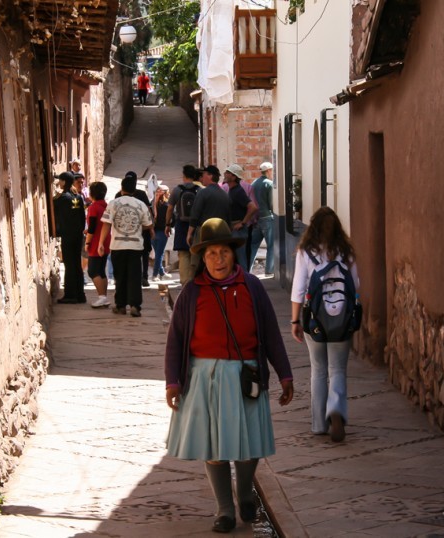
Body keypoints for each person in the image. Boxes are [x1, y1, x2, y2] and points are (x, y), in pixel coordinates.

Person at [164, 218, 294, 533]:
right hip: (204, 378)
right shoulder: (191, 293)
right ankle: (224, 509)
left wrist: (285, 374)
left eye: (224, 252)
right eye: (211, 254)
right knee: (213, 449)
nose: (218, 259)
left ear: (233, 254)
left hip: (245, 376)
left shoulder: (252, 287)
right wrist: (172, 381)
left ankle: (245, 489)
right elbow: (176, 339)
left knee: (249, 445)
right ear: (202, 258)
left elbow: (271, 334)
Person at [289, 207, 359, 442]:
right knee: (337, 370)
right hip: (342, 318)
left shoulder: (305, 252)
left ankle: (319, 424)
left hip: (314, 319)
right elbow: (356, 286)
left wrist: (295, 320)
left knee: (318, 370)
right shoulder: (346, 251)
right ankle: (336, 408)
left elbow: (298, 289)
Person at [99, 174, 153, 317]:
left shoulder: (113, 203)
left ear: (121, 188)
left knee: (120, 276)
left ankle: (121, 305)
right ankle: (135, 305)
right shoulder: (141, 205)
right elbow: (148, 224)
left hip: (117, 245)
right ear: (134, 190)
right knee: (135, 276)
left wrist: (101, 243)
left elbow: (106, 224)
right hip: (136, 247)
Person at [115, 171, 154, 287]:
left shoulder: (118, 195)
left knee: (131, 254)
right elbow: (148, 211)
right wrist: (151, 228)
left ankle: (131, 278)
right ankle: (143, 277)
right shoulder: (141, 194)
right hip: (142, 229)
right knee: (143, 254)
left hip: (126, 231)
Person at [53, 171, 87, 304]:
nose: (59, 183)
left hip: (67, 235)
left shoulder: (61, 199)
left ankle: (70, 295)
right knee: (76, 264)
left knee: (69, 264)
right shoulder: (78, 197)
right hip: (77, 235)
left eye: (60, 180)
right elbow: (82, 217)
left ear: (64, 182)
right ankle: (80, 294)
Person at [166, 165, 202, 284]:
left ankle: (185, 281)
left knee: (183, 254)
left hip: (181, 225)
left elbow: (170, 208)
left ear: (184, 175)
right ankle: (193, 280)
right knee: (195, 252)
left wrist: (167, 224)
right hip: (196, 225)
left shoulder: (177, 190)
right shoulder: (199, 190)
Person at [223, 164, 258, 269]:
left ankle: (245, 282)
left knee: (240, 259)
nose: (225, 174)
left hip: (238, 230)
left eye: (228, 173)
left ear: (234, 177)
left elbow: (253, 207)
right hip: (234, 229)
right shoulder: (232, 190)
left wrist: (242, 223)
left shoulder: (238, 191)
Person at [187, 165, 231, 246]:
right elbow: (229, 217)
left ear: (210, 175)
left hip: (204, 232)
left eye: (204, 174)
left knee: (198, 256)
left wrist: (189, 233)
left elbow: (195, 215)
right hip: (221, 233)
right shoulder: (225, 194)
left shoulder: (203, 193)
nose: (202, 177)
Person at [85, 181, 111, 308]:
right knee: (101, 270)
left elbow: (92, 227)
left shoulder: (93, 207)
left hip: (96, 242)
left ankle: (102, 297)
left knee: (93, 270)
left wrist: (87, 242)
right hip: (106, 240)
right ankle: (103, 296)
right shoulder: (105, 205)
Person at [249, 162, 275, 276]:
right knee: (271, 246)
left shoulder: (254, 183)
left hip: (256, 218)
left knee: (253, 246)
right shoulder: (269, 184)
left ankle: (247, 270)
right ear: (268, 170)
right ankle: (269, 271)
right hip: (267, 218)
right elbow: (271, 203)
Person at [151, 184, 171, 281]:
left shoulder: (152, 205)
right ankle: (155, 275)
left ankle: (162, 273)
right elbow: (173, 218)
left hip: (152, 233)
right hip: (163, 232)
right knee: (159, 254)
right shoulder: (167, 206)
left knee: (158, 253)